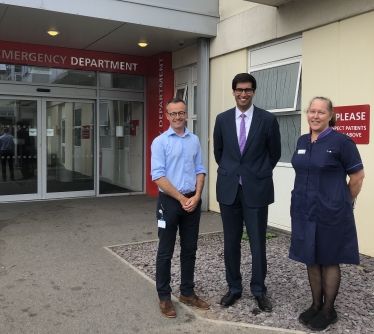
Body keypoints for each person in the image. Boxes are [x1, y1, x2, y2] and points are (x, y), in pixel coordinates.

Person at [289, 97, 365, 331]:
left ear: (330, 115)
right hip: (304, 209)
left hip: (331, 211)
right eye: (312, 111)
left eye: (321, 112)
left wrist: (343, 201)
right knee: (310, 257)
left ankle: (328, 310)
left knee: (329, 258)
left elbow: (357, 177)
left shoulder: (342, 142)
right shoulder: (303, 140)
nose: (315, 116)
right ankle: (315, 305)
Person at [213, 73, 281, 312]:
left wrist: (256, 173)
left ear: (254, 91)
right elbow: (219, 153)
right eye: (239, 90)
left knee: (257, 243)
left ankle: (259, 290)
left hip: (256, 188)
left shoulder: (268, 120)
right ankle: (233, 288)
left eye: (248, 90)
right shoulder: (222, 119)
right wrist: (234, 172)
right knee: (231, 242)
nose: (243, 94)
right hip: (229, 189)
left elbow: (274, 153)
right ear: (233, 92)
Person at [151, 97, 209, 318]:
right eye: (173, 114)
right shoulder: (161, 142)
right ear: (167, 116)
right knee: (165, 252)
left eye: (181, 113)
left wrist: (197, 195)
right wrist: (180, 198)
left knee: (190, 249)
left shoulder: (194, 140)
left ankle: (187, 292)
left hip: (192, 201)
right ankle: (164, 297)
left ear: (186, 114)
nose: (177, 117)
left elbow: (200, 169)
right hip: (169, 203)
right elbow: (157, 175)